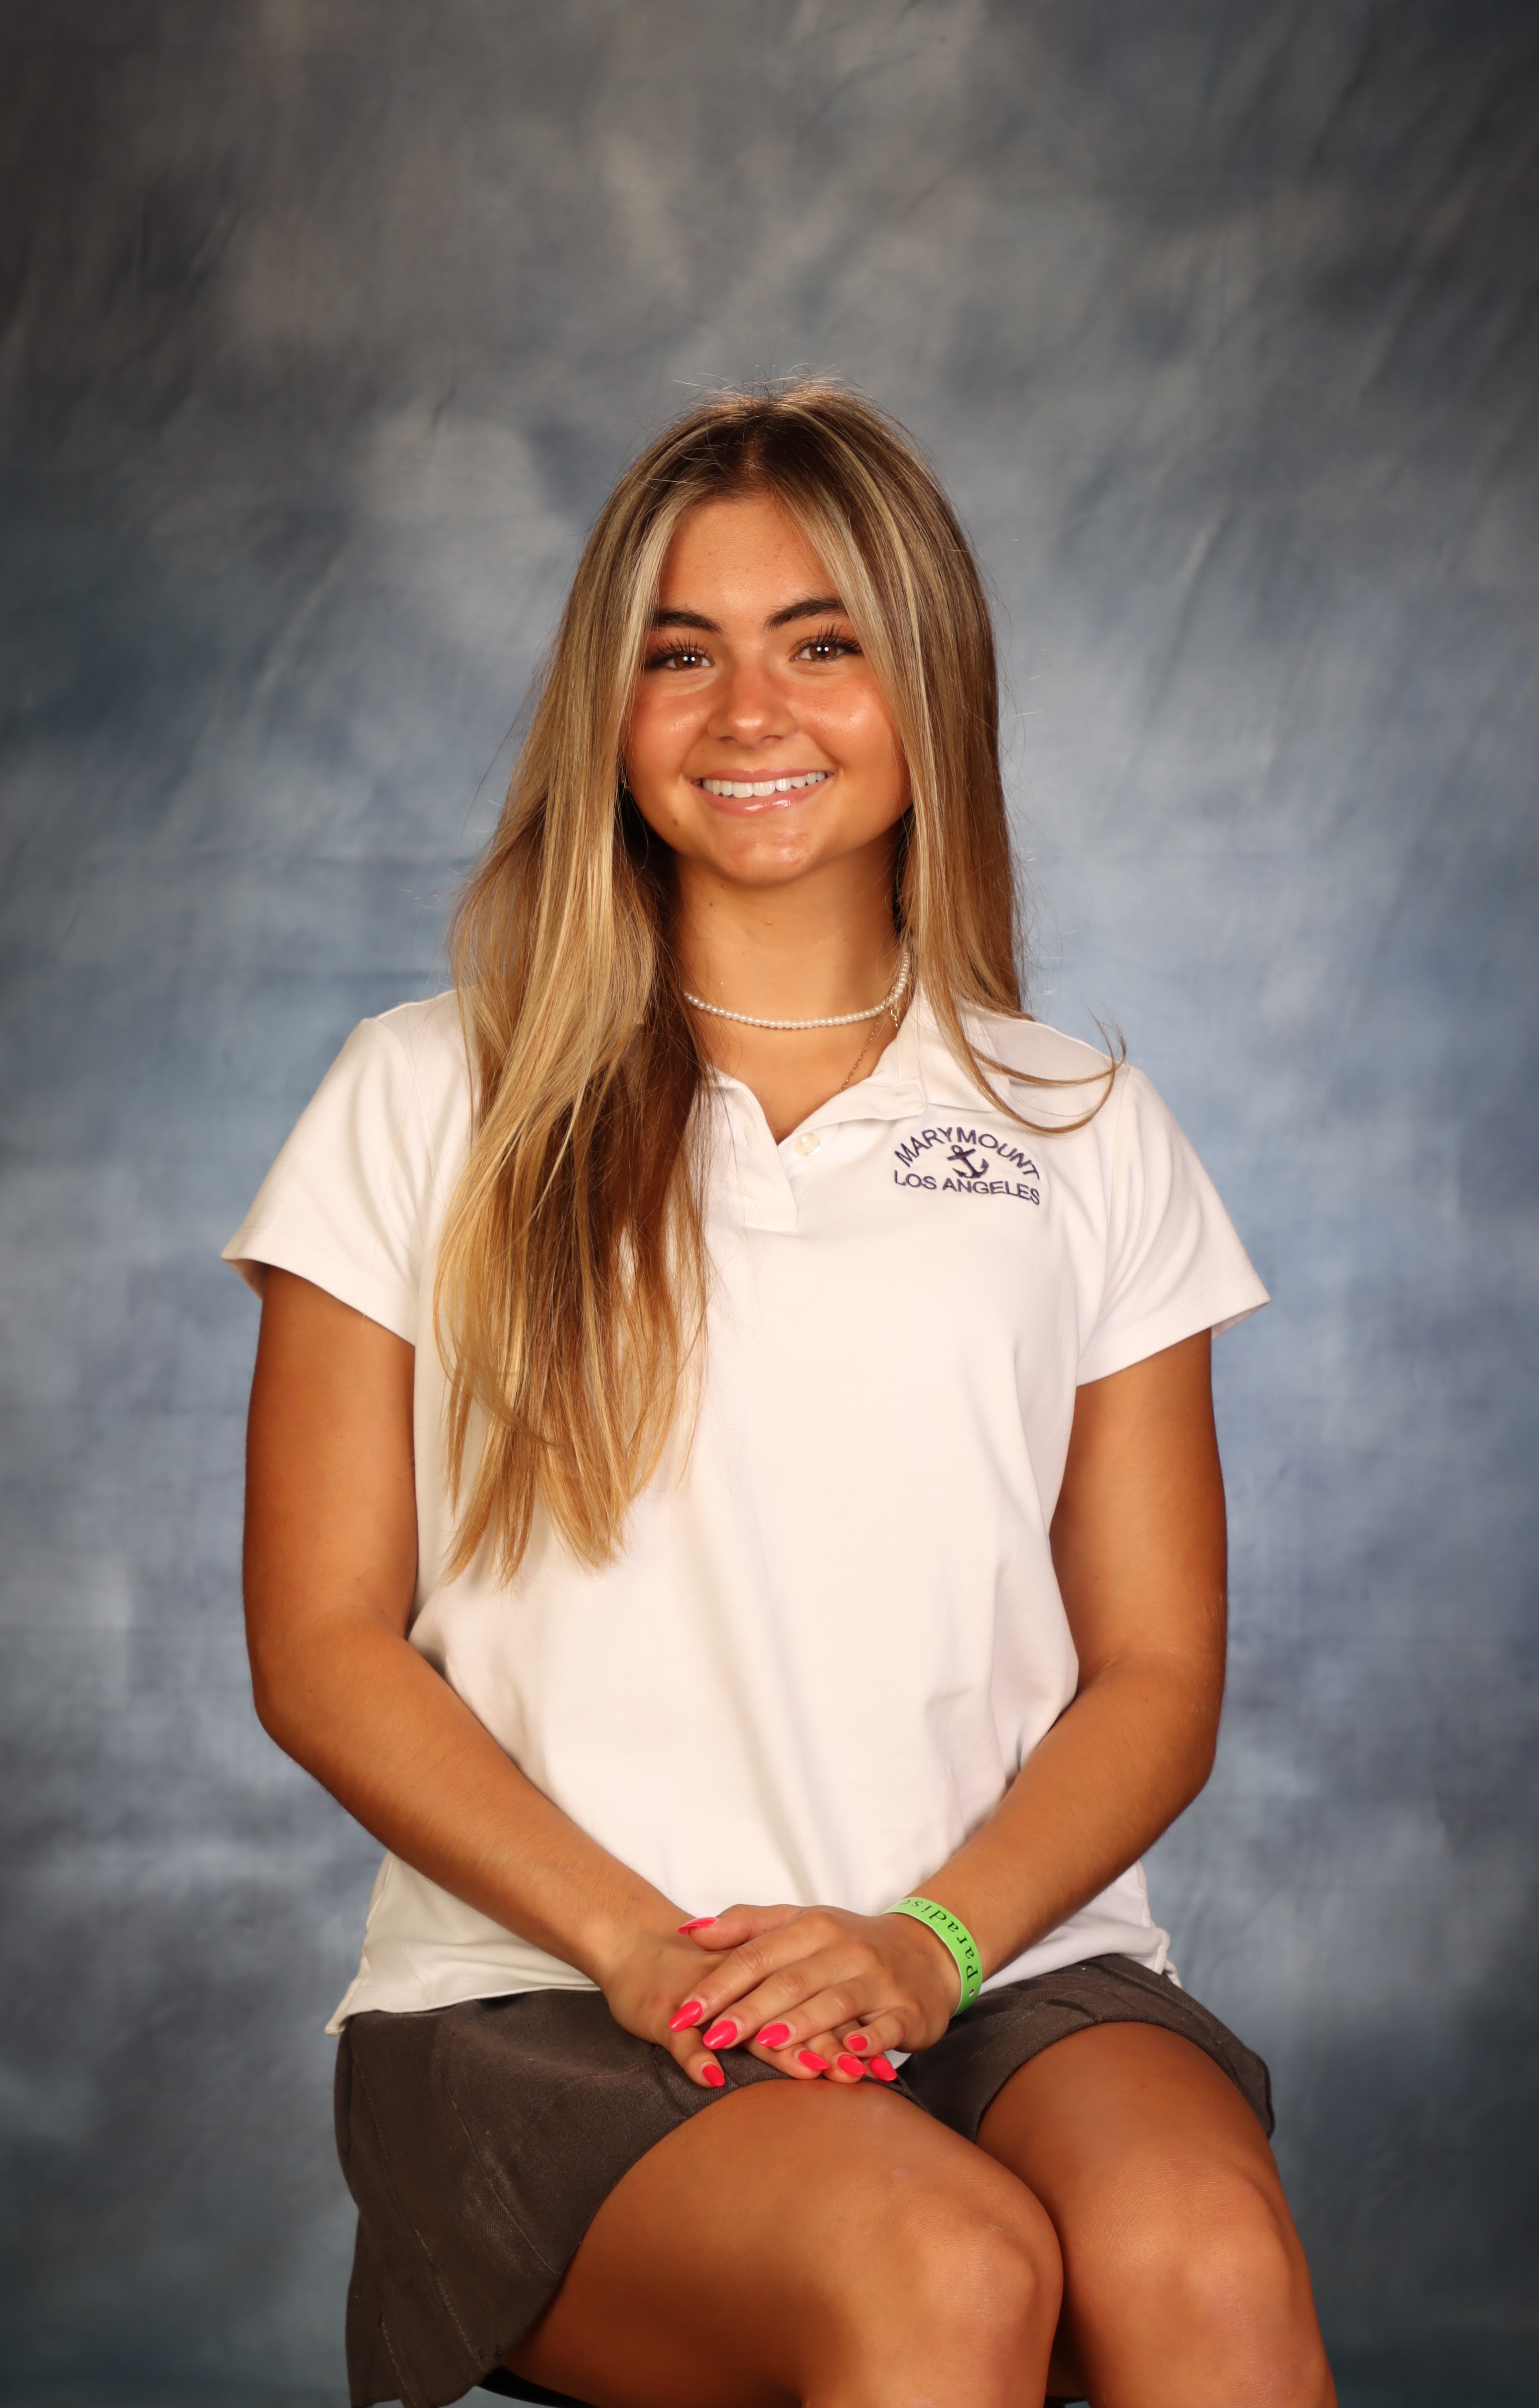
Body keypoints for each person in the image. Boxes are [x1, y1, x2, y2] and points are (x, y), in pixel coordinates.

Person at [226, 384, 1336, 2408]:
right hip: (548, 1989)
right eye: (681, 653)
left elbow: (1157, 1672)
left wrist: (927, 1946)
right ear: (609, 706)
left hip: (998, 1960)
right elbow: (318, 1644)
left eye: (821, 642)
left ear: (927, 690)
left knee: (1204, 2258)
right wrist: (641, 1946)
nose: (750, 712)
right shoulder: (424, 1093)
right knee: (943, 2269)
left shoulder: (1082, 1122)